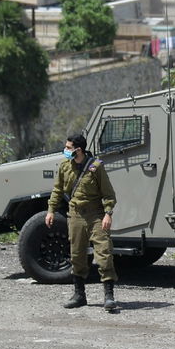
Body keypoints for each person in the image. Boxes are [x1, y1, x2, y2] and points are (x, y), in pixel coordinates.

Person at [45, 132, 120, 312]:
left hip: (95, 215)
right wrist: (51, 210)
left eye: (69, 148)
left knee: (104, 254)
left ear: (78, 150)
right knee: (77, 255)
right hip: (76, 215)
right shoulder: (65, 167)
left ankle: (109, 296)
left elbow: (109, 194)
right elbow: (57, 190)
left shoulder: (96, 167)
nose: (66, 150)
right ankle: (79, 295)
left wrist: (108, 214)